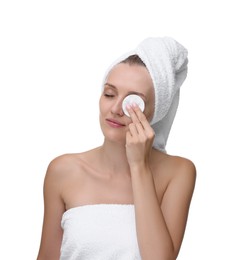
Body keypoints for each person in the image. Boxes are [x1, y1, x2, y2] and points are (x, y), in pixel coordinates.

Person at [37, 37, 196, 260]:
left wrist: (139, 166)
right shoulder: (63, 170)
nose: (115, 109)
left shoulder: (178, 172)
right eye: (109, 94)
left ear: (155, 111)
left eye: (133, 103)